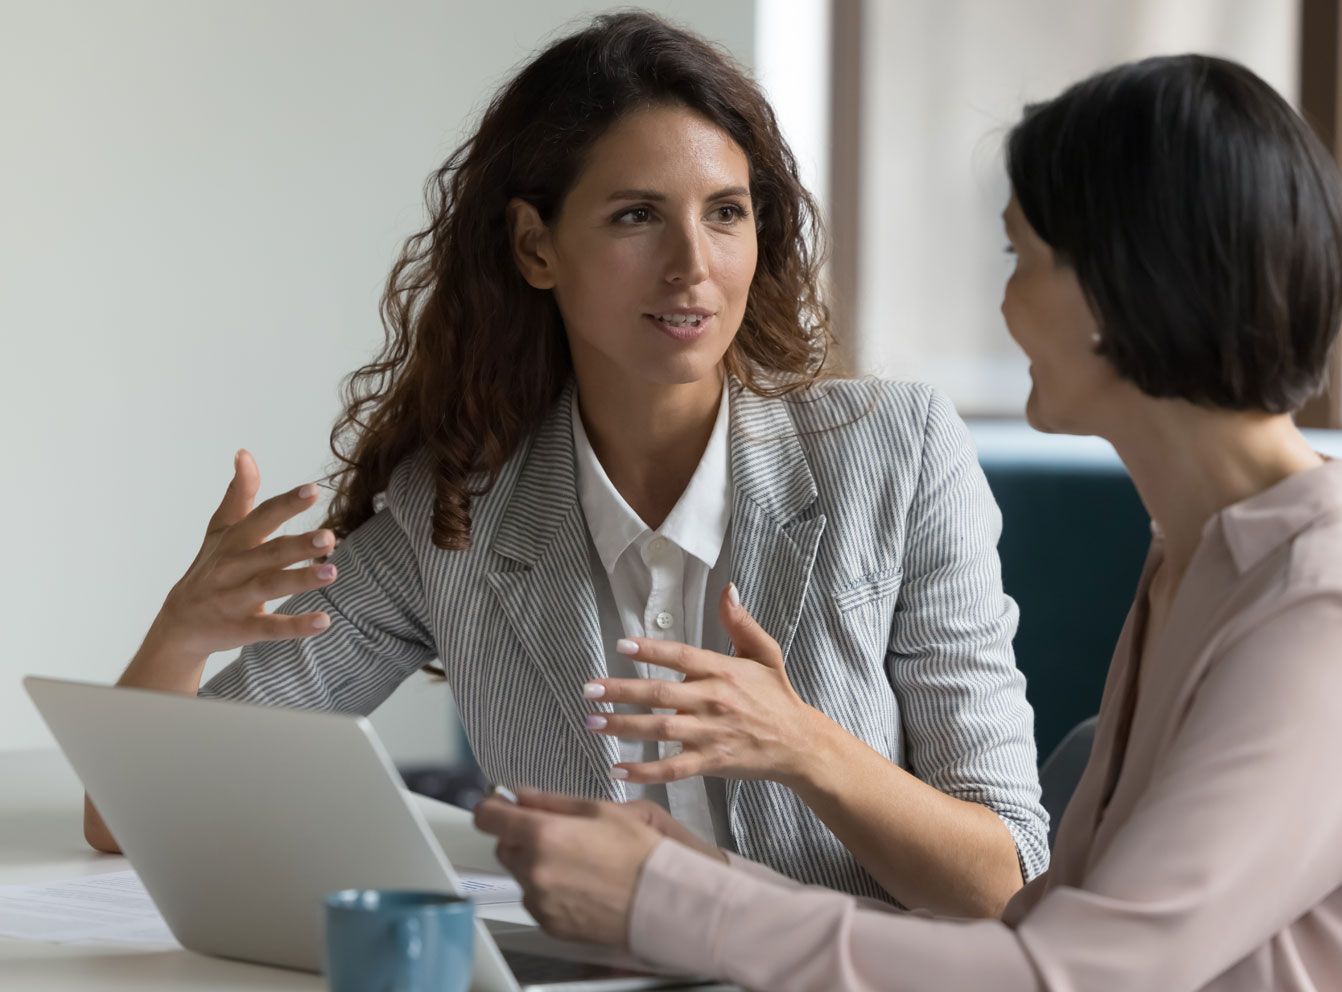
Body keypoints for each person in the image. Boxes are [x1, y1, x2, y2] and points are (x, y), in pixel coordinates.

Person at [471, 54, 1342, 990]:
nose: (1004, 306)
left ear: (1116, 286)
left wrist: (674, 900)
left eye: (1021, 256)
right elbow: (1038, 928)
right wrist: (697, 874)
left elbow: (1069, 974)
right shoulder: (1202, 564)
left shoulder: (1339, 612)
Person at [81, 11, 1050, 914]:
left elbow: (1007, 879)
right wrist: (181, 631)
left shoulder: (895, 450)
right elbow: (125, 818)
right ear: (536, 246)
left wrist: (809, 750)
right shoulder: (452, 513)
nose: (693, 265)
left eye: (726, 212)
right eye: (636, 216)